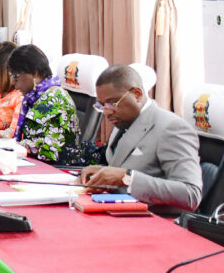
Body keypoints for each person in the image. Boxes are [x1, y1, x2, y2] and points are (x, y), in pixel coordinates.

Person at [77, 65, 202, 212]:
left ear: (137, 94)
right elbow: (133, 166)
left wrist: (128, 177)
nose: (107, 112)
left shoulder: (171, 128)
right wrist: (104, 173)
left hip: (154, 221)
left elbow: (191, 194)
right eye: (102, 105)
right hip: (120, 211)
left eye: (113, 103)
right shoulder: (123, 121)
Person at [7, 44, 78, 163]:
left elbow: (51, 150)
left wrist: (18, 146)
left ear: (34, 72)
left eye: (16, 76)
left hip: (54, 168)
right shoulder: (35, 97)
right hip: (35, 162)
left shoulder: (54, 99)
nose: (14, 84)